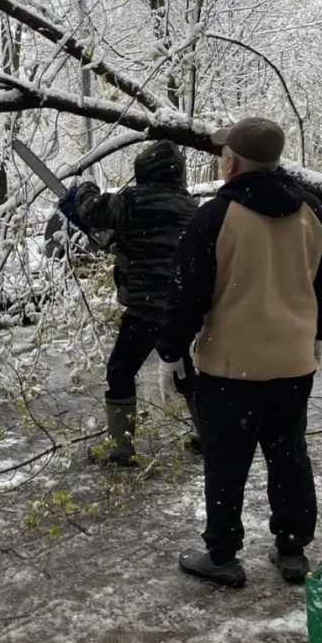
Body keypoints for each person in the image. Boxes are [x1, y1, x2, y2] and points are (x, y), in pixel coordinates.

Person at [156, 117, 322, 588]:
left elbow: (187, 294)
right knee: (289, 456)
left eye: (224, 154)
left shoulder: (216, 217)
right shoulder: (312, 212)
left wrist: (171, 352)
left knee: (226, 461)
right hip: (293, 366)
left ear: (232, 161)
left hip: (230, 368)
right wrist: (313, 333)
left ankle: (221, 554)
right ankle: (292, 549)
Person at [58, 140, 199, 465]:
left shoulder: (132, 201)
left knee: (120, 371)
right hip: (180, 310)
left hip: (144, 308)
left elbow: (93, 210)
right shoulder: (190, 206)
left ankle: (121, 448)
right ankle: (207, 435)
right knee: (185, 372)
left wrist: (84, 189)